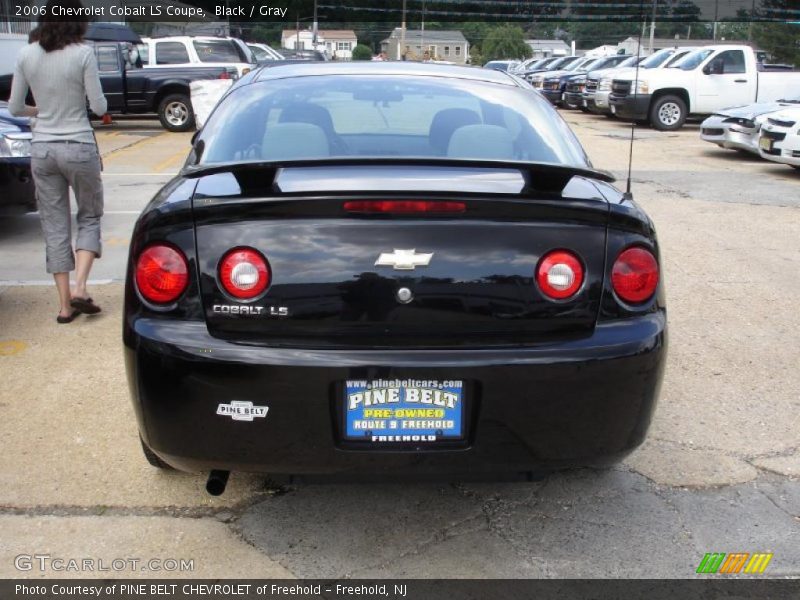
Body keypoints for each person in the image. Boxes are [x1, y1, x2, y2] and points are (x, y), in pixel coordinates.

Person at [9, 0, 107, 323]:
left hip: (42, 149)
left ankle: (65, 307)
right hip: (78, 144)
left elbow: (14, 109)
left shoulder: (27, 54)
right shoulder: (83, 54)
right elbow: (98, 105)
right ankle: (80, 288)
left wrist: (40, 111)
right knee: (89, 215)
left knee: (55, 226)